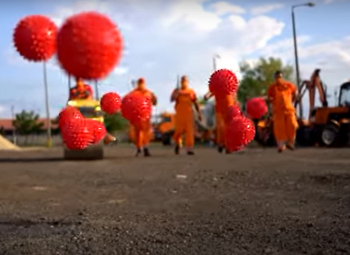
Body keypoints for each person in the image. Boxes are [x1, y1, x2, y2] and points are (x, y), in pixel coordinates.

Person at [267, 70, 299, 152]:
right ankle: (281, 146)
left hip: (289, 110)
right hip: (278, 112)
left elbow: (295, 92)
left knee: (292, 125)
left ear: (282, 77)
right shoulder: (272, 87)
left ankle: (290, 143)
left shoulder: (288, 85)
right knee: (279, 129)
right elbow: (269, 98)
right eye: (277, 77)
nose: (278, 79)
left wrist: (294, 98)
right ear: (274, 78)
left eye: (280, 77)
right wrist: (271, 108)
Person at [171, 75, 202, 155]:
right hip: (179, 115)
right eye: (183, 81)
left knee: (189, 132)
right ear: (181, 82)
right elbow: (172, 99)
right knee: (178, 132)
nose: (184, 82)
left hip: (188, 114)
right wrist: (176, 93)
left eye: (185, 80)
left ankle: (189, 149)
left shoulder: (191, 91)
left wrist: (199, 114)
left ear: (188, 82)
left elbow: (196, 102)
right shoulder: (177, 90)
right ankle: (177, 144)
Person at [129, 78, 157, 157]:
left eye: (142, 83)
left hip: (146, 116)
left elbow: (155, 102)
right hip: (137, 116)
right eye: (140, 83)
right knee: (138, 133)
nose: (141, 84)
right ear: (138, 84)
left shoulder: (149, 93)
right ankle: (139, 148)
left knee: (145, 132)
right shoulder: (133, 93)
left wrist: (154, 97)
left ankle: (145, 148)